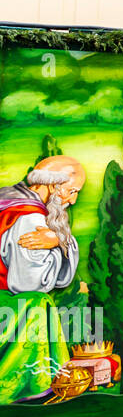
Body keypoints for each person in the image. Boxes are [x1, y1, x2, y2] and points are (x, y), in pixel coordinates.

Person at [0, 156, 86, 404]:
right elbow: (30, 284)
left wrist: (61, 240)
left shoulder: (7, 199)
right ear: (52, 185)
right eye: (71, 191)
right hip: (7, 307)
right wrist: (62, 243)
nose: (72, 200)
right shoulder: (32, 221)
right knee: (38, 302)